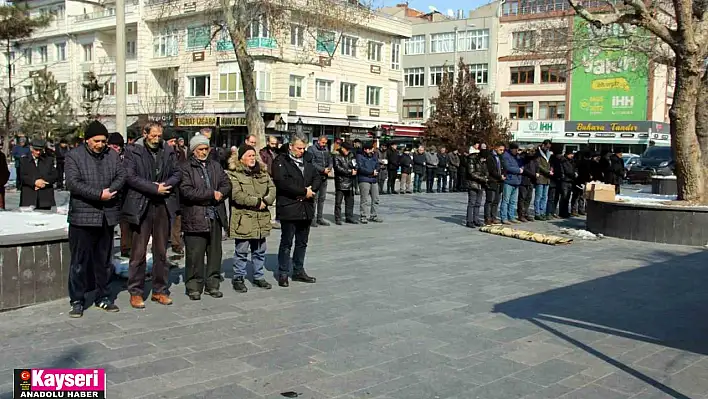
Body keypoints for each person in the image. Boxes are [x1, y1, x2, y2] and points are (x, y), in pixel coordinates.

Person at [64, 120, 126, 317]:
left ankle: (103, 296)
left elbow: (121, 176)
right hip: (82, 217)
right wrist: (99, 194)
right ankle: (77, 299)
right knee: (79, 262)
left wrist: (111, 191)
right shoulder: (74, 156)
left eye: (103, 141)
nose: (100, 144)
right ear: (87, 140)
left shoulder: (112, 155)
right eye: (96, 140)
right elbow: (73, 183)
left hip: (106, 217)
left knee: (103, 261)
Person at [122, 122, 181, 309]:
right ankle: (136, 291)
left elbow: (177, 172)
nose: (157, 139)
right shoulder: (134, 151)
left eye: (159, 136)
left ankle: (159, 290)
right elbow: (130, 176)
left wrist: (166, 185)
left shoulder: (168, 150)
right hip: (141, 204)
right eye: (153, 135)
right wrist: (154, 188)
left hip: (163, 204)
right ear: (145, 133)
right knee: (138, 252)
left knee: (161, 251)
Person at [179, 135, 230, 300]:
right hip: (195, 216)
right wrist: (210, 194)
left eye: (206, 149)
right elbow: (186, 191)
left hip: (215, 215)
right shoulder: (185, 168)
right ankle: (194, 286)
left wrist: (221, 193)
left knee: (215, 253)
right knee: (195, 254)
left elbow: (226, 183)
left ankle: (212, 284)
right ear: (193, 151)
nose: (203, 152)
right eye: (200, 149)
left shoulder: (215, 165)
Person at [271, 132, 320, 288]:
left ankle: (298, 270)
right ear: (291, 146)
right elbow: (282, 183)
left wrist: (311, 190)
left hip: (306, 207)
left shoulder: (307, 159)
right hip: (289, 207)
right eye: (299, 148)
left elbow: (317, 177)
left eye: (304, 148)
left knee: (302, 242)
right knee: (287, 242)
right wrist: (302, 191)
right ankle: (283, 272)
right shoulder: (281, 161)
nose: (301, 151)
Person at [228, 144, 276, 292]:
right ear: (241, 158)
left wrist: (266, 201)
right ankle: (238, 277)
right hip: (244, 218)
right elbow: (236, 195)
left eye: (253, 155)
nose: (252, 158)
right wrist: (256, 202)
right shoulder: (234, 174)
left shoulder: (262, 172)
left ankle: (258, 276)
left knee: (260, 250)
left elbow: (272, 188)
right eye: (248, 155)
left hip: (261, 218)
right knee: (241, 250)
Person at [107, 133, 133, 258]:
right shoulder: (104, 157)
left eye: (119, 147)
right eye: (114, 146)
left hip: (124, 195)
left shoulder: (126, 158)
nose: (116, 149)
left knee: (125, 224)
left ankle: (126, 247)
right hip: (109, 194)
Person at [19, 139, 58, 210]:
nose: (38, 152)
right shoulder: (24, 160)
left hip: (45, 197)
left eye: (40, 150)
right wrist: (34, 182)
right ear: (31, 148)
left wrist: (43, 183)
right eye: (36, 150)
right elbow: (22, 176)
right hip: (29, 197)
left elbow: (55, 175)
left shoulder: (48, 160)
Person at [307, 135, 333, 227]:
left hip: (324, 177)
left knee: (322, 198)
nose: (324, 144)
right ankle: (312, 219)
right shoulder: (312, 149)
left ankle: (320, 218)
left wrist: (329, 168)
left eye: (325, 143)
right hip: (315, 177)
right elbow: (311, 162)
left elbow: (330, 160)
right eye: (322, 142)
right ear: (318, 141)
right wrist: (322, 169)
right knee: (314, 198)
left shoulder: (326, 149)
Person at [356, 143, 383, 224]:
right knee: (364, 199)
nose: (372, 150)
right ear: (365, 149)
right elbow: (360, 168)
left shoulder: (374, 155)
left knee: (376, 199)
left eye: (372, 149)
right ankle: (363, 216)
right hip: (364, 179)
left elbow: (377, 165)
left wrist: (376, 170)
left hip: (374, 179)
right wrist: (371, 172)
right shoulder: (359, 156)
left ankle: (374, 215)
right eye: (370, 149)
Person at [333, 141, 358, 225]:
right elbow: (337, 168)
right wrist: (350, 171)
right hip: (341, 181)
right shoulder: (337, 155)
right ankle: (338, 218)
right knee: (338, 202)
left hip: (350, 181)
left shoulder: (351, 155)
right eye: (346, 149)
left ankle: (349, 217)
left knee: (350, 201)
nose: (347, 151)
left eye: (348, 150)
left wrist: (355, 169)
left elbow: (355, 164)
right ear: (342, 148)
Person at [259, 135, 281, 229]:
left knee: (274, 200)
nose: (273, 145)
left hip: (276, 177)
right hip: (268, 177)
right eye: (272, 143)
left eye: (275, 144)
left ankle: (272, 219)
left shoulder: (277, 152)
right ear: (268, 142)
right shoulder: (263, 152)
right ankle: (266, 219)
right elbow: (263, 165)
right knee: (266, 198)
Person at [499, 143, 524, 225]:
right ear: (511, 149)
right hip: (509, 181)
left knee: (513, 201)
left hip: (517, 181)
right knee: (506, 200)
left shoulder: (517, 156)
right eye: (515, 149)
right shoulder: (505, 156)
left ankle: (511, 216)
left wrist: (522, 168)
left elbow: (521, 164)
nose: (517, 151)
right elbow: (507, 167)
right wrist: (518, 170)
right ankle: (504, 217)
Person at [465, 145, 489, 228]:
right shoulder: (472, 159)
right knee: (472, 202)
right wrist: (482, 178)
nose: (484, 160)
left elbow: (486, 170)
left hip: (481, 184)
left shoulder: (484, 161)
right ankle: (469, 221)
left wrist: (486, 177)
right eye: (483, 158)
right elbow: (471, 173)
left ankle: (476, 219)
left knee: (478, 203)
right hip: (473, 183)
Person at [484, 144, 504, 225]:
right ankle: (487, 218)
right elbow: (491, 170)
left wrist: (503, 175)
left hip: (499, 182)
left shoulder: (500, 157)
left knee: (496, 201)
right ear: (496, 148)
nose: (502, 151)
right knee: (490, 201)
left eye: (503, 150)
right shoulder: (490, 157)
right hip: (492, 181)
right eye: (500, 149)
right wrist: (499, 176)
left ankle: (493, 217)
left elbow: (503, 168)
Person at [518, 145, 538, 222]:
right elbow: (524, 169)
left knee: (528, 198)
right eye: (530, 150)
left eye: (532, 150)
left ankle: (526, 213)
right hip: (524, 180)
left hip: (531, 181)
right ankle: (521, 214)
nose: (531, 151)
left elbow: (537, 166)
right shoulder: (523, 157)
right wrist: (526, 152)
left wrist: (537, 172)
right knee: (522, 198)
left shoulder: (534, 158)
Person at [534, 140, 553, 221]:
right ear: (543, 145)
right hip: (541, 177)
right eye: (546, 147)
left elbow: (549, 164)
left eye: (549, 147)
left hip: (547, 178)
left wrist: (551, 169)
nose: (547, 148)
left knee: (545, 197)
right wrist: (547, 171)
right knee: (539, 196)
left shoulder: (548, 153)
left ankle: (542, 212)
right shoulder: (538, 153)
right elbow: (538, 165)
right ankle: (537, 213)